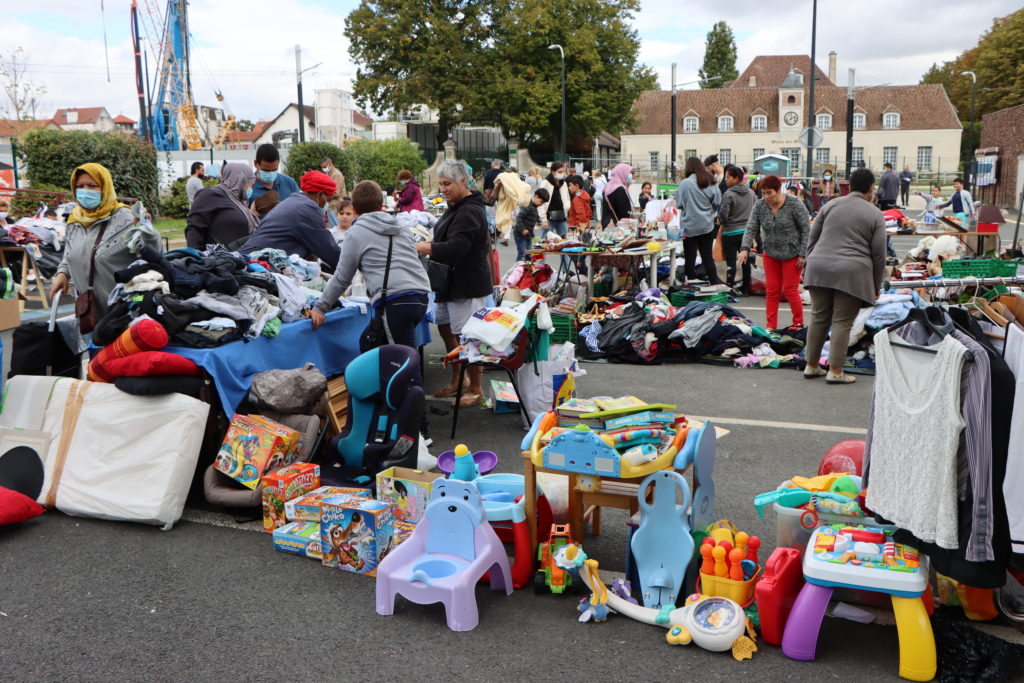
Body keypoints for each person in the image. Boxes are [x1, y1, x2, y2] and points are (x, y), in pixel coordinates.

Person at [312, 180, 429, 351]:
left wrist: (320, 307)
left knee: (402, 360)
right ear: (381, 205)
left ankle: (404, 377)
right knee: (369, 343)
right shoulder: (402, 228)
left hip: (395, 300)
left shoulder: (356, 233)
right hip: (420, 295)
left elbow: (342, 278)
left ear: (356, 210)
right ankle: (382, 377)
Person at [414, 160, 492, 407]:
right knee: (448, 332)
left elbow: (456, 248)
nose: (443, 189)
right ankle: (460, 379)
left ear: (462, 182)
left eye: (447, 184)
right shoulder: (456, 206)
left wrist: (424, 247)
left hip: (466, 284)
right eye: (440, 184)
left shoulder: (469, 210)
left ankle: (477, 388)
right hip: (449, 283)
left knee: (469, 337)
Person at [803, 168, 887, 384]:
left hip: (819, 266)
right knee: (842, 321)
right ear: (871, 189)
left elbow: (812, 240)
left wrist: (808, 266)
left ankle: (811, 366)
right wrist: (875, 285)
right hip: (852, 272)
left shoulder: (829, 205)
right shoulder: (874, 213)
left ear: (848, 186)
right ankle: (836, 371)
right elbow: (879, 255)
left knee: (819, 316)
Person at [49, 163, 161, 321]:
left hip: (126, 310)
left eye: (92, 185)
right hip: (89, 311)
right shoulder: (75, 220)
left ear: (105, 187)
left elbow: (154, 255)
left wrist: (147, 231)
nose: (85, 190)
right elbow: (69, 253)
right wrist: (63, 273)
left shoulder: (127, 218)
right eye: (80, 186)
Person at [739, 174, 809, 329]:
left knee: (790, 290)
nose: (766, 197)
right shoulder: (760, 205)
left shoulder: (795, 204)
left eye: (769, 193)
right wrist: (744, 248)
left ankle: (798, 323)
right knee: (772, 291)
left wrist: (803, 254)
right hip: (770, 252)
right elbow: (751, 227)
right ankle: (771, 326)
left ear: (778, 190)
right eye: (763, 193)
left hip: (793, 253)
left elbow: (806, 229)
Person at [239, 170, 341, 268]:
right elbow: (328, 250)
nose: (328, 203)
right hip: (255, 264)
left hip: (249, 258)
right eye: (328, 199)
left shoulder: (292, 201)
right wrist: (352, 265)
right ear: (320, 195)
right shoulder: (308, 209)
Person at [186, 162, 258, 251]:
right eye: (250, 182)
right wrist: (197, 258)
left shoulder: (240, 203)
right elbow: (194, 228)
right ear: (241, 179)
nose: (251, 187)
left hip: (242, 259)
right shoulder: (210, 195)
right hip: (219, 260)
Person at [675, 157, 722, 284]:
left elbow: (678, 204)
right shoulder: (711, 181)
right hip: (707, 224)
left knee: (690, 257)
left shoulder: (684, 183)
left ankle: (691, 284)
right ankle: (714, 282)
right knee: (707, 257)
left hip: (689, 226)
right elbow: (718, 201)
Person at [718, 165, 755, 294]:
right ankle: (746, 288)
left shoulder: (728, 194)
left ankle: (730, 287)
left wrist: (721, 221)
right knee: (746, 261)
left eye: (728, 177)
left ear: (736, 178)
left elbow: (723, 214)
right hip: (746, 232)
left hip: (730, 232)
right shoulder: (751, 193)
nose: (725, 180)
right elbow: (755, 212)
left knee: (731, 262)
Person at [514, 188, 548, 262]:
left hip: (528, 235)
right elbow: (519, 218)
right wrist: (522, 229)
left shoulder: (535, 208)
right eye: (541, 202)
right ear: (536, 196)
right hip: (520, 234)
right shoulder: (527, 205)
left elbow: (532, 220)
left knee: (529, 255)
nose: (541, 204)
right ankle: (517, 271)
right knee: (522, 254)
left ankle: (528, 272)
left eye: (543, 203)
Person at [540, 161, 571, 237]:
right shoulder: (545, 183)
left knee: (565, 240)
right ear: (553, 172)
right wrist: (543, 219)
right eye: (559, 172)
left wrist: (567, 214)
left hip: (562, 217)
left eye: (563, 171)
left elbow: (567, 199)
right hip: (549, 217)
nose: (562, 174)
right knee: (545, 240)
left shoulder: (563, 183)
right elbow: (541, 202)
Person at [601, 162, 633, 227]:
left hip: (608, 224)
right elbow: (624, 211)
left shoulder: (608, 186)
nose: (629, 175)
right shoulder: (619, 189)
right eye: (628, 173)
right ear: (622, 174)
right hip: (618, 227)